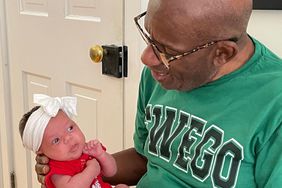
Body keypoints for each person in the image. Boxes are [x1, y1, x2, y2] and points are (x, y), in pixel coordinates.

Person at [36, 0, 282, 187]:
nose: (147, 58)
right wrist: (73, 168)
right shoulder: (162, 74)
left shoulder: (273, 104)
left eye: (166, 50)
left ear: (222, 53)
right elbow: (147, 159)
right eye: (149, 37)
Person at [19, 94, 128, 188]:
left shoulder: (87, 149)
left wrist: (101, 155)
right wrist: (92, 169)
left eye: (70, 128)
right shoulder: (56, 169)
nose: (68, 138)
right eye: (56, 140)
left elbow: (112, 172)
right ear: (40, 150)